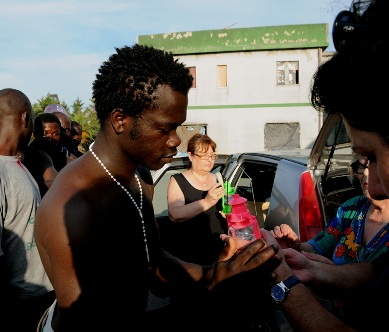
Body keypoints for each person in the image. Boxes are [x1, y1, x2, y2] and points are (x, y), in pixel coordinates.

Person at [34, 44, 280, 331]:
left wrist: (217, 274)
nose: (176, 140)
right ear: (120, 120)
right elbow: (86, 323)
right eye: (165, 128)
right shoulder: (74, 208)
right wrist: (212, 293)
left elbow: (153, 263)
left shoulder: (139, 177)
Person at [259, 1, 389, 331]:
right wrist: (306, 265)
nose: (373, 185)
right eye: (363, 163)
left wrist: (281, 280)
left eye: (373, 155)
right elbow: (372, 274)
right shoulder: (350, 211)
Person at [0, 88, 55, 332]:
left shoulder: (15, 163)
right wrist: (7, 315)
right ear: (25, 118)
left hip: (42, 295)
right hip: (20, 306)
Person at [271, 152, 389, 318]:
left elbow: (372, 276)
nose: (366, 173)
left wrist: (327, 271)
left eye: (374, 165)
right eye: (362, 166)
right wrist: (296, 245)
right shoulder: (351, 208)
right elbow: (316, 247)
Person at [165, 133, 227, 266]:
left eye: (212, 156)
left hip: (219, 249)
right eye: (204, 156)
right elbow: (175, 214)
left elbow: (225, 208)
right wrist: (207, 202)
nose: (209, 160)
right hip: (190, 253)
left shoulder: (219, 178)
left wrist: (228, 214)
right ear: (190, 156)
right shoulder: (178, 180)